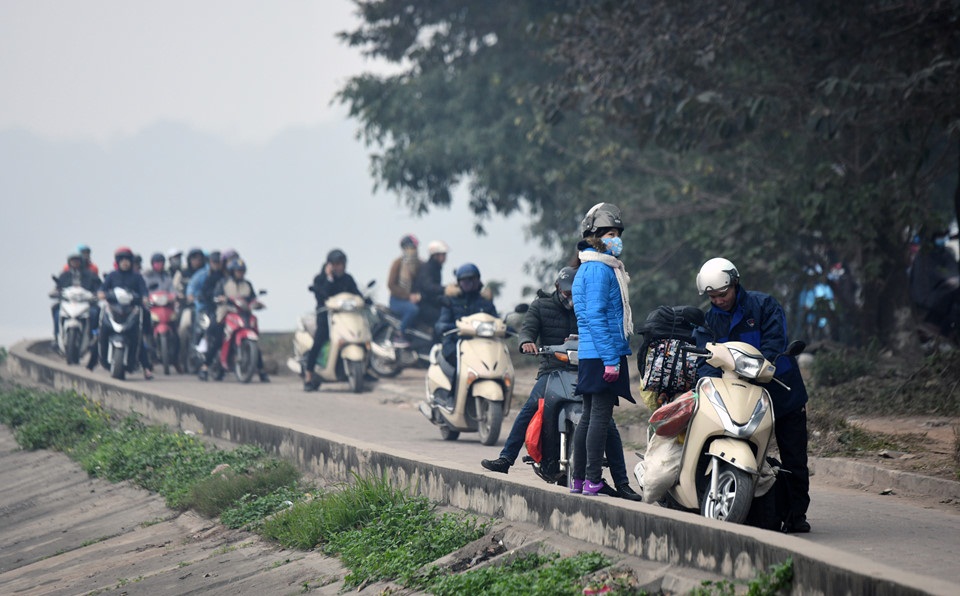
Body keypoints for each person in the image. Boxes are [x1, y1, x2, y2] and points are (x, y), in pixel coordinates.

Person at [480, 267, 642, 501]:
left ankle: (622, 483)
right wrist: (526, 342)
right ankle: (506, 458)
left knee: (607, 422)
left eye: (576, 293)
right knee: (531, 406)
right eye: (567, 293)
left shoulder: (588, 306)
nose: (572, 298)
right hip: (552, 369)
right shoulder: (540, 306)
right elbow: (528, 330)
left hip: (585, 369)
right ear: (557, 287)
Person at [693, 257, 811, 533]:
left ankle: (796, 514)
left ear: (735, 284)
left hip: (781, 393)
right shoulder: (709, 320)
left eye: (722, 294)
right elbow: (704, 358)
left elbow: (774, 344)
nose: (718, 300)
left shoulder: (764, 306)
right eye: (712, 296)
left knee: (794, 457)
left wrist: (756, 367)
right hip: (737, 398)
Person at [570, 202, 635, 497]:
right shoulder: (599, 269)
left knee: (589, 416)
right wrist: (611, 359)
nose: (615, 238)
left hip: (592, 352)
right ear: (595, 236)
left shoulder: (591, 266)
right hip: (602, 353)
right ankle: (592, 478)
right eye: (609, 233)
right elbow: (595, 316)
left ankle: (579, 480)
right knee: (598, 416)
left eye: (617, 233)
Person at [433, 263, 498, 408]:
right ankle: (452, 398)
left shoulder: (486, 302)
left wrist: (505, 328)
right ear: (458, 282)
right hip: (455, 343)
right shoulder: (451, 300)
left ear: (478, 280)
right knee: (463, 364)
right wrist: (446, 326)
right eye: (463, 280)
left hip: (481, 346)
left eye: (471, 279)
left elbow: (496, 320)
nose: (467, 283)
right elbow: (441, 323)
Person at [304, 249, 362, 391]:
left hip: (346, 317)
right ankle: (309, 375)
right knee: (319, 341)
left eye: (341, 264)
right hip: (326, 317)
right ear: (329, 265)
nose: (339, 267)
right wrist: (329, 278)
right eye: (336, 264)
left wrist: (365, 300)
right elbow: (322, 295)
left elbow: (356, 294)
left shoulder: (348, 278)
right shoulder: (320, 279)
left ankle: (365, 370)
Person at [94, 246, 154, 379]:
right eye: (122, 260)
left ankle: (146, 367)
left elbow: (144, 292)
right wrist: (101, 294)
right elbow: (102, 289)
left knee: (138, 337)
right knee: (101, 328)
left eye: (127, 260)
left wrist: (145, 299)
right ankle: (96, 356)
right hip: (114, 311)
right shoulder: (112, 276)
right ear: (118, 262)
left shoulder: (137, 277)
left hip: (131, 311)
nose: (125, 262)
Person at [208, 258, 269, 382]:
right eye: (238, 271)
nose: (240, 273)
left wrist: (257, 304)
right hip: (227, 313)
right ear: (232, 271)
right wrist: (221, 298)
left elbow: (252, 298)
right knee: (218, 338)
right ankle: (205, 366)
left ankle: (261, 370)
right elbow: (216, 295)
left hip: (244, 314)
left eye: (242, 271)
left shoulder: (247, 284)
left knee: (254, 341)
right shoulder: (224, 283)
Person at [909, 230, 959, 339]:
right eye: (941, 236)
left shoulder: (944, 253)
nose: (943, 239)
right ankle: (947, 330)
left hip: (938, 295)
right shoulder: (925, 256)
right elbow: (948, 276)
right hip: (929, 298)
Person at [52, 253, 101, 353]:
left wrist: (97, 294)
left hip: (85, 304)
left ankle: (93, 335)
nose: (75, 263)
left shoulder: (90, 275)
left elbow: (99, 287)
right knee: (56, 311)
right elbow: (58, 288)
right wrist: (55, 292)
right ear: (69, 263)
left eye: (77, 261)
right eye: (73, 261)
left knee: (95, 312)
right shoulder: (64, 275)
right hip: (68, 304)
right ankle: (57, 336)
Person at [191, 250, 224, 381]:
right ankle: (203, 363)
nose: (216, 264)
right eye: (214, 262)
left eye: (218, 262)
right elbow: (202, 292)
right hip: (210, 309)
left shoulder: (227, 277)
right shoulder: (206, 276)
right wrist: (209, 297)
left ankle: (260, 370)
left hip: (229, 312)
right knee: (212, 332)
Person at [386, 234, 422, 346]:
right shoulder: (397, 263)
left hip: (415, 299)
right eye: (410, 247)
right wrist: (408, 296)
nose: (413, 250)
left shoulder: (420, 264)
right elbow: (391, 285)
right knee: (413, 310)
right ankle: (399, 334)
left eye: (414, 247)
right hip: (397, 300)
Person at [412, 240, 449, 333]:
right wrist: (446, 289)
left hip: (430, 302)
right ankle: (436, 340)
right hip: (423, 303)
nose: (445, 257)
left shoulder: (436, 268)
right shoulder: (428, 268)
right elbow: (428, 287)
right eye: (443, 254)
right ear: (435, 255)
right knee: (441, 317)